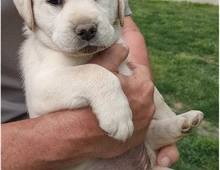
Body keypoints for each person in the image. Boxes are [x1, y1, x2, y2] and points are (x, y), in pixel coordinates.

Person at [1, 0, 179, 169]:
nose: (85, 27)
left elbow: (128, 29)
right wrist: (101, 84)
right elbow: (42, 94)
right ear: (28, 11)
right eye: (55, 1)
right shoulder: (47, 52)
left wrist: (143, 96)